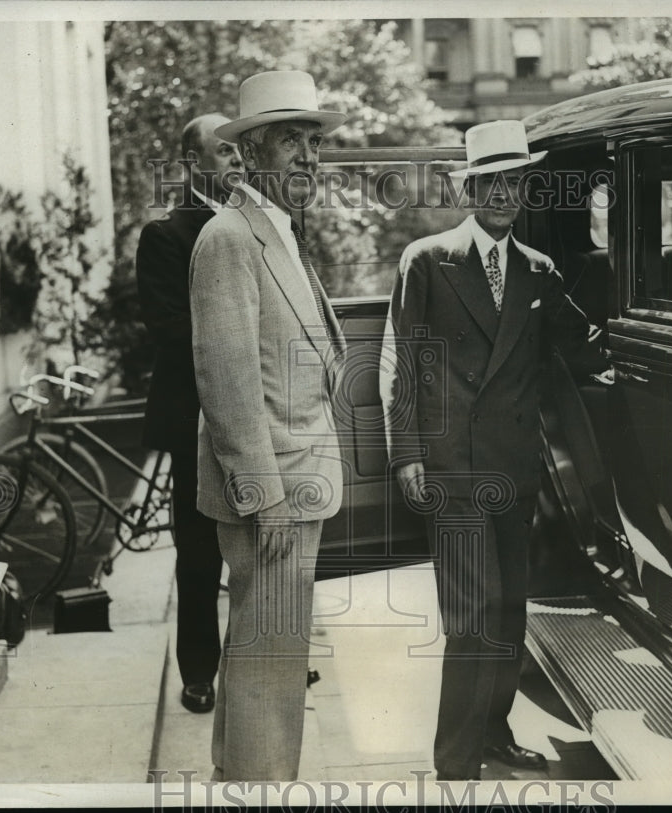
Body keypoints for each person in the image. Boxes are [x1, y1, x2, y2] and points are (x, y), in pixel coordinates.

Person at [380, 120, 603, 781]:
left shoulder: (539, 272)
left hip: (513, 468)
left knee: (509, 610)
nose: (504, 194)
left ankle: (496, 732)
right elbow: (404, 364)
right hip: (451, 468)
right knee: (472, 616)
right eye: (491, 182)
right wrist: (407, 453)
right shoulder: (427, 261)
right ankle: (455, 762)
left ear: (524, 190)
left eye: (515, 182)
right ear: (469, 189)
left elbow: (585, 346)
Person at [190, 70, 347, 781]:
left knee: (266, 666)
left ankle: (247, 783)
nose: (309, 158)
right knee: (267, 671)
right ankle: (259, 788)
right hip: (273, 497)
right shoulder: (229, 237)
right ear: (251, 151)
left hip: (294, 488)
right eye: (293, 141)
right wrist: (267, 495)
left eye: (314, 142)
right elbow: (226, 383)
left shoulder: (273, 230)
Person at [136, 114, 242, 714]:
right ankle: (200, 671)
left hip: (260, 412)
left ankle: (262, 660)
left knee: (262, 543)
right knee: (200, 551)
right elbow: (171, 329)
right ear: (191, 162)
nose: (236, 161)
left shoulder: (260, 224)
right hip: (196, 419)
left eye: (240, 151)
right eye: (224, 151)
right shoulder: (167, 235)